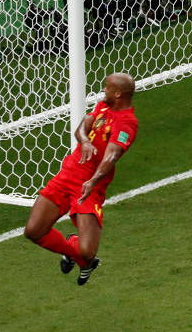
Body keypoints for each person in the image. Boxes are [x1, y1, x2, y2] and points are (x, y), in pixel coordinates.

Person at [23, 73, 138, 286]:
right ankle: (79, 258)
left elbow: (111, 156)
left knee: (87, 251)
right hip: (67, 175)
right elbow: (82, 128)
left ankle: (81, 253)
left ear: (118, 93)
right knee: (33, 231)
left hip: (89, 187)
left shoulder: (127, 124)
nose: (103, 90)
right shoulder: (103, 106)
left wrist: (93, 181)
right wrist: (84, 141)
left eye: (107, 87)